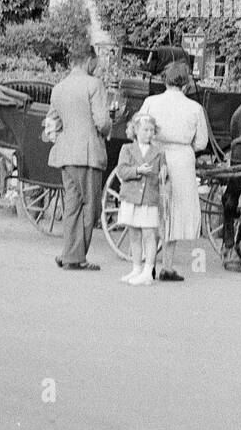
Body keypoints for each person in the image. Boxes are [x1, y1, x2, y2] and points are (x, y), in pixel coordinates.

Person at [139, 60, 209, 281]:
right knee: (174, 211)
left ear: (165, 80)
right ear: (186, 83)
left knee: (152, 208)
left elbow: (138, 128)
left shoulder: (151, 102)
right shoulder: (195, 108)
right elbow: (201, 143)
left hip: (155, 155)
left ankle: (146, 261)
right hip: (181, 159)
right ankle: (167, 266)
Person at [45, 45, 111, 271]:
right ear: (89, 61)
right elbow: (101, 122)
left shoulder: (59, 88)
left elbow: (52, 121)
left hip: (66, 154)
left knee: (72, 206)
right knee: (90, 208)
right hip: (88, 153)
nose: (97, 66)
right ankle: (76, 258)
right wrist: (112, 123)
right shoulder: (94, 85)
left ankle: (68, 253)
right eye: (96, 62)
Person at [112, 112, 168, 286]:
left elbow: (163, 172)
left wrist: (164, 173)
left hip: (149, 199)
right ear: (135, 131)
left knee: (149, 234)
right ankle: (136, 268)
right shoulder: (127, 149)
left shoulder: (159, 152)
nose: (149, 133)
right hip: (131, 197)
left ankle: (148, 270)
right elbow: (121, 171)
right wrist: (137, 171)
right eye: (145, 130)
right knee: (134, 233)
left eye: (152, 130)